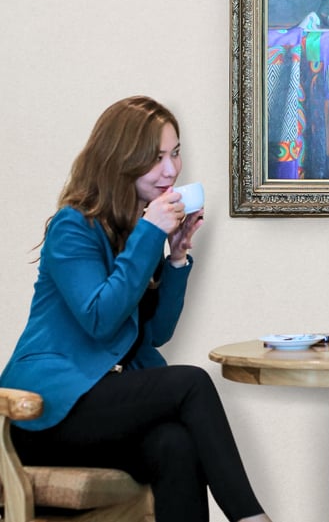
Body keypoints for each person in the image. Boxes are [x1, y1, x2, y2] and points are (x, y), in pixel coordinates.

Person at [0, 96, 274, 522]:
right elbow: (99, 320)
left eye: (175, 153)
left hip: (99, 405)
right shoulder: (74, 226)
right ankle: (252, 518)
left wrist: (177, 257)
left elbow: (154, 335)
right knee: (192, 383)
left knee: (174, 444)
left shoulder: (136, 228)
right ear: (121, 160)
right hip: (45, 412)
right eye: (156, 158)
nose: (171, 170)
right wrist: (149, 234)